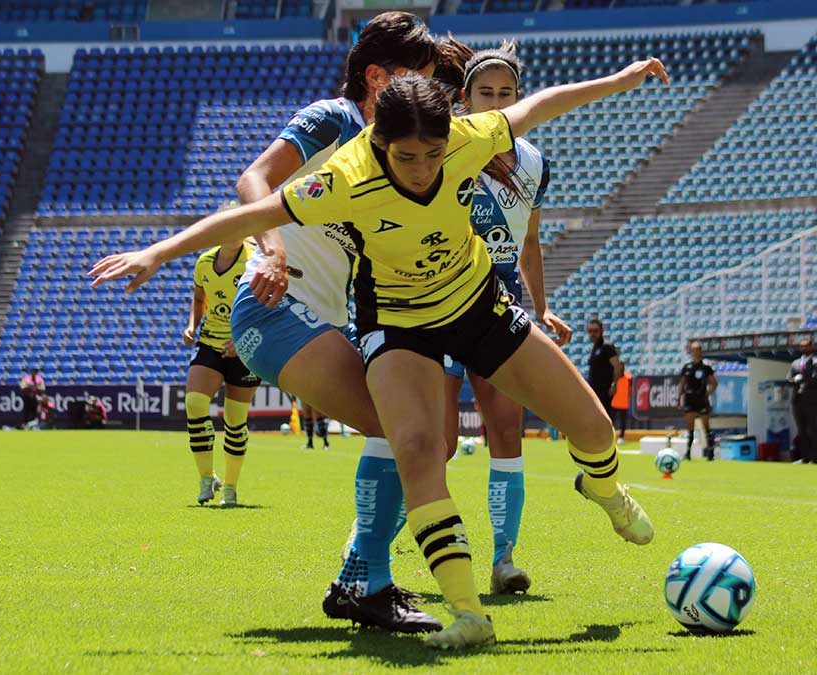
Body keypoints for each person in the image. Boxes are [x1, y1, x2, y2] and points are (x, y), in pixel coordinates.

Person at [91, 58, 671, 648]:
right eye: (407, 157)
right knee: (419, 447)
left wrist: (619, 82)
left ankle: (603, 488)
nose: (423, 170)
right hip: (398, 327)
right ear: (380, 144)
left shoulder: (470, 136)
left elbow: (538, 105)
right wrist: (158, 253)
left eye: (433, 155)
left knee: (595, 430)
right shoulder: (345, 176)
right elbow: (251, 211)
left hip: (479, 307)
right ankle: (469, 615)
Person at [223, 12, 442, 633]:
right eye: (412, 79)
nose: (423, 95)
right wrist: (269, 247)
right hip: (273, 308)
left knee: (432, 441)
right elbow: (254, 179)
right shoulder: (335, 119)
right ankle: (364, 580)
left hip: (320, 319)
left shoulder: (389, 151)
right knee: (409, 435)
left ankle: (361, 577)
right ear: (376, 76)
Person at [437, 41, 572, 596]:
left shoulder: (535, 162)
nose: (496, 102)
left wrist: (542, 306)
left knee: (506, 432)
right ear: (463, 99)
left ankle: (504, 559)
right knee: (435, 442)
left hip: (501, 301)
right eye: (484, 93)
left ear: (520, 99)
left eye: (506, 94)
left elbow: (532, 240)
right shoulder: (443, 147)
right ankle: (388, 551)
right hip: (438, 300)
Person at [182, 225, 261, 506]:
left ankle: (230, 486)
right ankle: (207, 478)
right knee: (194, 403)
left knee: (235, 421)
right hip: (210, 341)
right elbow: (199, 297)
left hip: (245, 348)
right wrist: (192, 325)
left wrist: (243, 339)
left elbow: (270, 305)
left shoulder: (255, 261)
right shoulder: (204, 261)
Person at [679, 341, 718, 461]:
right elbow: (682, 384)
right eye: (694, 350)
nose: (696, 352)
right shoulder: (687, 367)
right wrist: (678, 398)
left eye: (698, 349)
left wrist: (707, 394)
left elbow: (714, 383)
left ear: (701, 351)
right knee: (690, 426)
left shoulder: (706, 368)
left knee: (706, 426)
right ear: (691, 351)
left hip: (701, 399)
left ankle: (710, 453)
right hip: (690, 399)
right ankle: (688, 453)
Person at [788, 338, 817, 464]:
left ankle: (815, 458)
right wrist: (794, 380)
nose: (805, 349)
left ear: (811, 347)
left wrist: (802, 379)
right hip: (798, 400)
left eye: (807, 346)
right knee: (801, 430)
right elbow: (789, 379)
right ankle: (804, 457)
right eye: (802, 346)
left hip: (811, 401)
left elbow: (815, 378)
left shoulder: (816, 361)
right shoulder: (795, 363)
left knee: (812, 429)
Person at [586, 319, 623, 416]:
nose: (592, 334)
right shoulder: (594, 348)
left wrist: (614, 385)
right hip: (595, 391)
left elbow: (617, 366)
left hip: (605, 391)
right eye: (590, 331)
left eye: (595, 331)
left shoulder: (607, 347)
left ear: (601, 331)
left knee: (604, 417)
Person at [610, 370, 631, 437]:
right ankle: (610, 435)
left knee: (623, 422)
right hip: (614, 403)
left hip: (624, 404)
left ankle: (621, 436)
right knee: (611, 421)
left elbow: (630, 389)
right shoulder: (614, 377)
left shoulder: (628, 377)